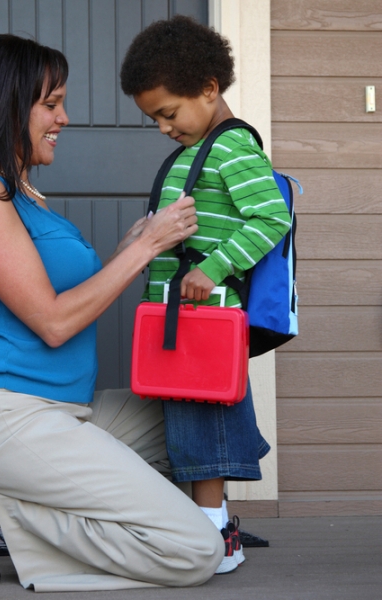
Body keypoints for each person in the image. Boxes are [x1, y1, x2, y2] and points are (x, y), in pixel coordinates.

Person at [0, 33, 224, 591]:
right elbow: (54, 321)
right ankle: (3, 503)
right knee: (193, 551)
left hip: (67, 409)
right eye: (51, 103)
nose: (64, 117)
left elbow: (61, 293)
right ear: (6, 104)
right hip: (4, 416)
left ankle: (18, 493)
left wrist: (129, 252)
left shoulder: (24, 195)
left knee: (194, 414)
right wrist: (144, 248)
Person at [120, 15, 292, 574]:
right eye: (155, 119)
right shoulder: (199, 152)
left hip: (207, 316)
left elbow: (272, 217)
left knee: (203, 423)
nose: (164, 128)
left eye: (169, 113)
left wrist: (215, 268)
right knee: (185, 421)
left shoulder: (231, 147)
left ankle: (214, 536)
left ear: (209, 89)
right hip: (180, 317)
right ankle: (205, 527)